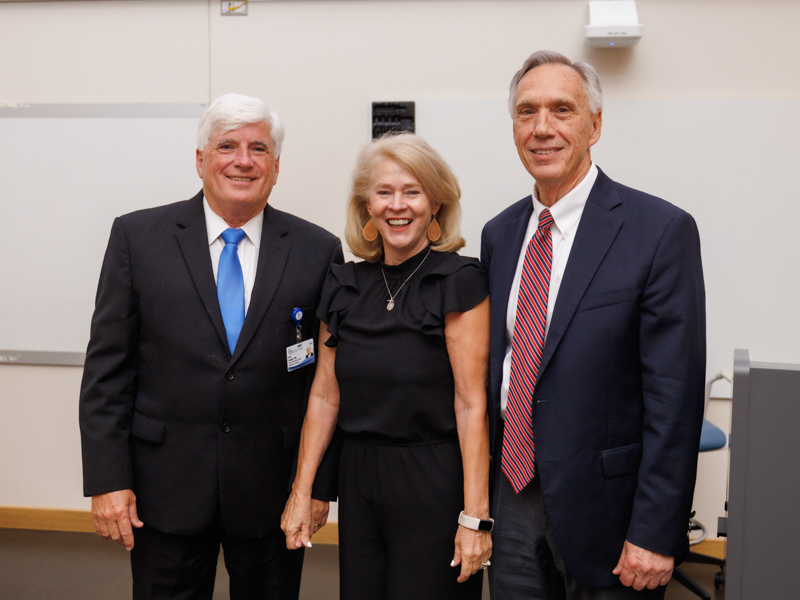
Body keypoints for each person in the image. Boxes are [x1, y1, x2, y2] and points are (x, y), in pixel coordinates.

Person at [79, 93, 342, 599]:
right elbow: (108, 370)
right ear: (200, 159)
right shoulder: (138, 237)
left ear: (277, 165)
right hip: (164, 491)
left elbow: (327, 381)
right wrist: (108, 479)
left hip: (275, 495)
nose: (243, 161)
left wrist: (318, 486)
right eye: (227, 146)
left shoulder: (317, 249)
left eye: (259, 149)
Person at [481, 51, 706, 599]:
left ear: (594, 125)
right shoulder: (500, 234)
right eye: (526, 111)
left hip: (608, 513)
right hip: (511, 498)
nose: (542, 128)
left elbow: (674, 399)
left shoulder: (659, 231)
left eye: (562, 110)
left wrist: (655, 532)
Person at [281, 133, 492, 600]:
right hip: (360, 480)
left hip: (433, 479)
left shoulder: (459, 282)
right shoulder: (344, 284)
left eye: (412, 192)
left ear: (435, 203)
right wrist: (302, 490)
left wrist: (475, 517)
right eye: (384, 192)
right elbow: (324, 394)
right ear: (367, 206)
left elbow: (471, 403)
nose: (398, 206)